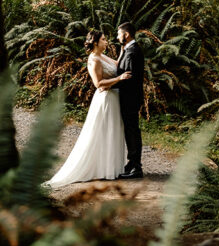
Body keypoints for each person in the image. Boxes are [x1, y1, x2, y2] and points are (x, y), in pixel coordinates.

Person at [45, 29, 131, 187]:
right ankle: (101, 169)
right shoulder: (93, 60)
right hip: (105, 99)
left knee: (112, 132)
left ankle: (110, 167)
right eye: (104, 39)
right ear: (96, 42)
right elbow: (98, 83)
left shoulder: (102, 55)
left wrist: (122, 51)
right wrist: (119, 78)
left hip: (114, 98)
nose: (106, 41)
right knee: (103, 132)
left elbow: (117, 65)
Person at [114, 21, 145, 180]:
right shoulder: (128, 49)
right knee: (130, 130)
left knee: (132, 131)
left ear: (126, 34)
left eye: (119, 33)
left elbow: (130, 77)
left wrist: (115, 83)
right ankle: (131, 164)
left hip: (131, 98)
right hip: (128, 97)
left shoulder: (133, 51)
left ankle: (135, 167)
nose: (117, 36)